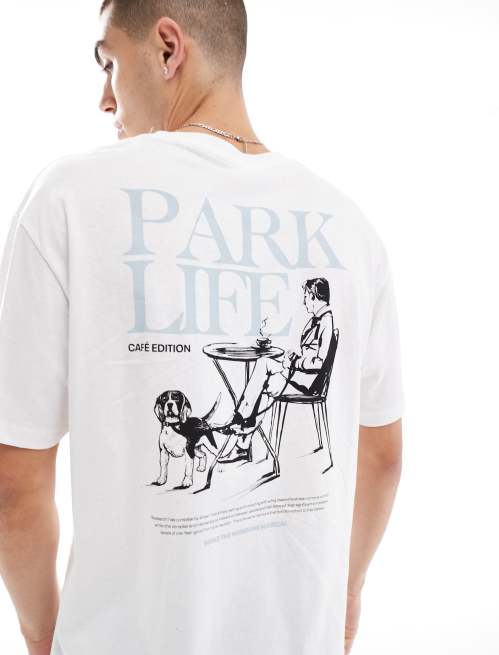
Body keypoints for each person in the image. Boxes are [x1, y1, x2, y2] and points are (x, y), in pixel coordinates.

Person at [0, 2, 404, 655]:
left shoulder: (68, 198)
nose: (105, 99)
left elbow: (13, 482)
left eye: (109, 64)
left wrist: (42, 633)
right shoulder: (351, 228)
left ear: (167, 48)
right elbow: (382, 458)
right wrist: (346, 594)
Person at [217, 277, 337, 463]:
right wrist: (293, 358)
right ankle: (241, 432)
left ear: (314, 296)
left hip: (308, 384)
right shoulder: (317, 320)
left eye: (306, 296)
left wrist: (295, 361)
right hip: (299, 376)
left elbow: (319, 363)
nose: (304, 301)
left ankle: (240, 426)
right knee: (264, 366)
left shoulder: (326, 322)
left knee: (264, 384)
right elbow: (310, 353)